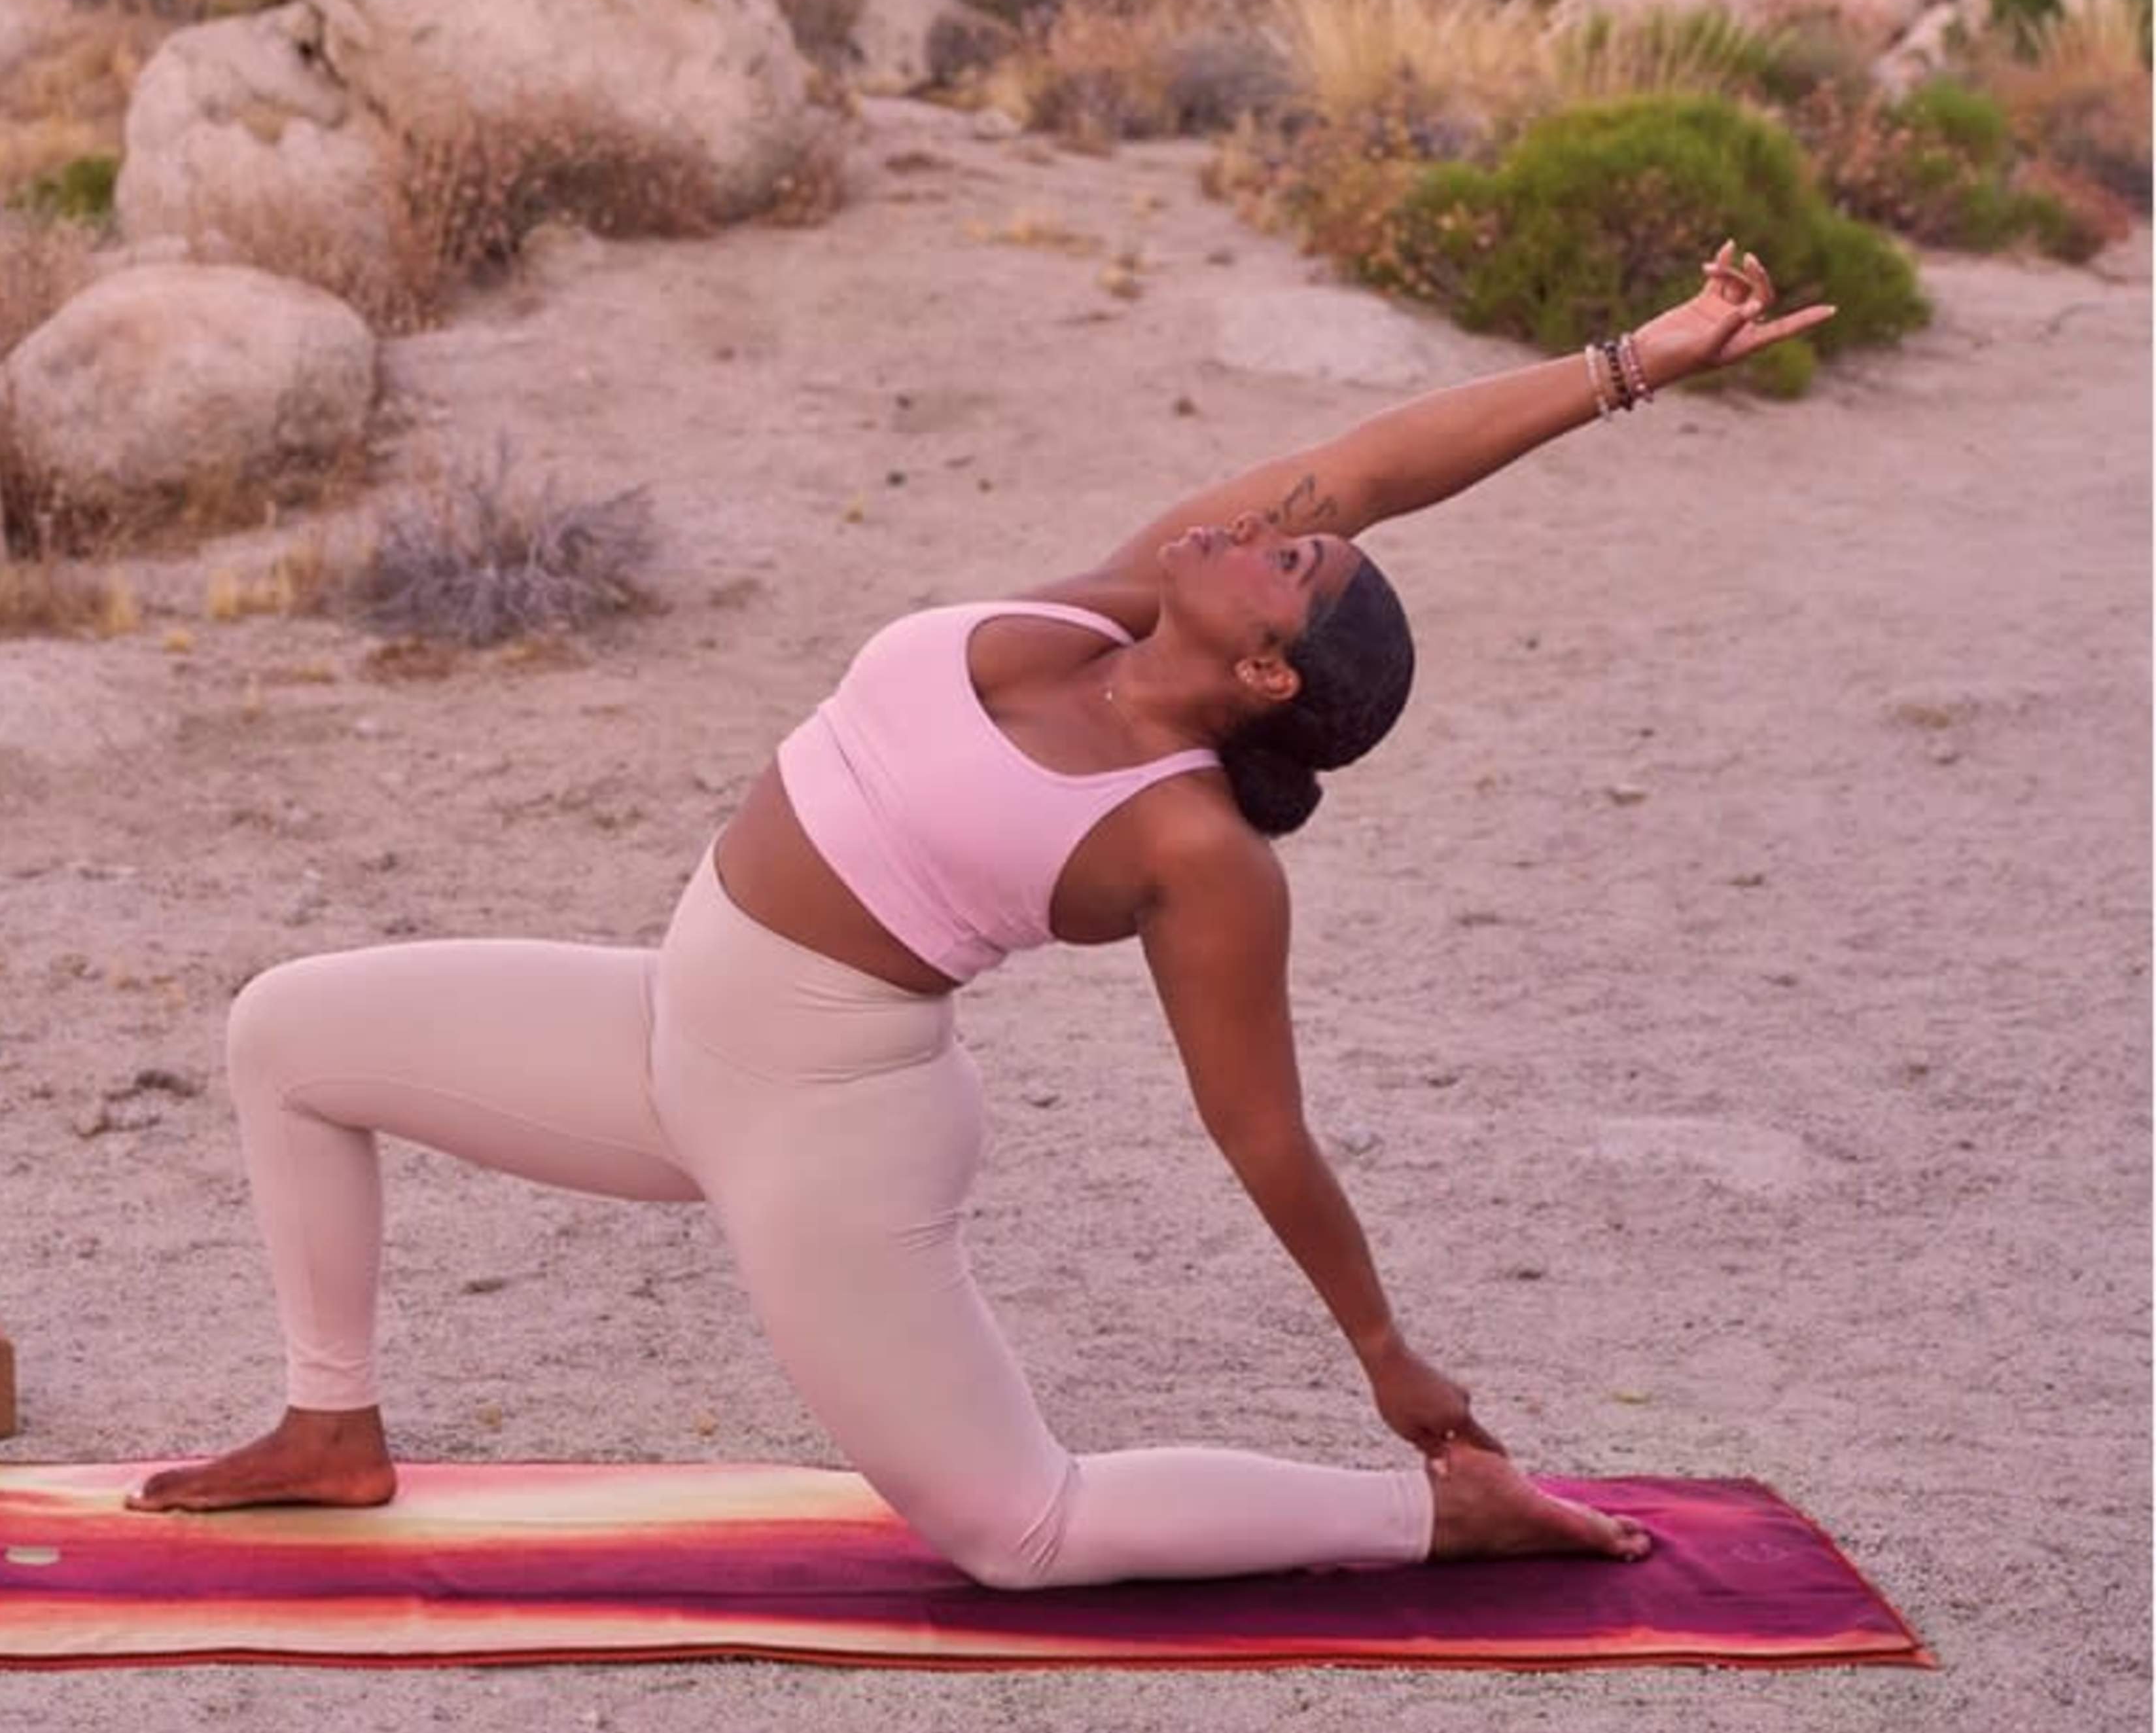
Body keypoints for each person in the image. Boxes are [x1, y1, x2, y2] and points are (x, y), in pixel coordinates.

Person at [133, 243, 1831, 1586]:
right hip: (667, 1033)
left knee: (1020, 1535)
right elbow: (1372, 463)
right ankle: (328, 1423)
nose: (1274, 522)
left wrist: (1387, 1353)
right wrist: (1634, 363)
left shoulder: (1195, 853)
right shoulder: (1098, 607)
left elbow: (1266, 1136)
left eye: (1293, 563)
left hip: (828, 1128)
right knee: (288, 1031)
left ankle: (1445, 1523)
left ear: (1264, 671)